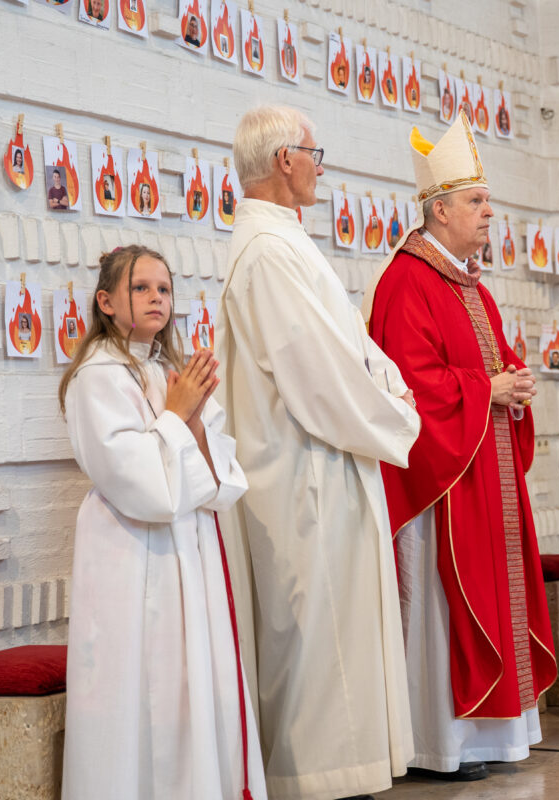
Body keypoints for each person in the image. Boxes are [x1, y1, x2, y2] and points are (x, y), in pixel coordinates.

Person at [215, 106, 420, 800]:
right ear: (283, 161)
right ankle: (318, 782)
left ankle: (343, 775)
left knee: (337, 634)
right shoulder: (268, 251)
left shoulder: (284, 241)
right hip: (306, 471)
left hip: (328, 459)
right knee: (318, 636)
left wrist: (388, 384)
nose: (320, 164)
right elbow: (315, 371)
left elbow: (349, 346)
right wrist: (394, 413)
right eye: (314, 151)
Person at [365, 112, 556, 782]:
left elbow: (490, 362)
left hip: (485, 469)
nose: (488, 212)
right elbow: (409, 385)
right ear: (439, 209)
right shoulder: (407, 281)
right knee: (445, 610)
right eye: (476, 201)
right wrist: (488, 387)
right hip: (441, 482)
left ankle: (493, 736)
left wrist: (513, 382)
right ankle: (442, 746)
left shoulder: (468, 281)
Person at [58, 244, 265, 800]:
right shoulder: (96, 377)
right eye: (142, 288)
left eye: (165, 288)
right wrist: (177, 415)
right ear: (106, 301)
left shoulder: (167, 372)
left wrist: (192, 419)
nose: (157, 298)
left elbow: (220, 475)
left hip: (185, 551)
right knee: (138, 692)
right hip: (131, 553)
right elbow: (140, 485)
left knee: (191, 683)